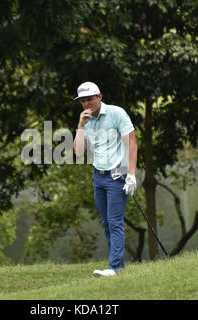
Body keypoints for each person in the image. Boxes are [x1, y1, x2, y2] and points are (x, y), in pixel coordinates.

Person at [73, 81, 138, 277]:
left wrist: (132, 175)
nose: (86, 104)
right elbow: (78, 152)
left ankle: (114, 267)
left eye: (90, 99)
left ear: (99, 96)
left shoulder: (117, 113)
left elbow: (132, 144)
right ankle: (117, 265)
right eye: (83, 101)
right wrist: (80, 126)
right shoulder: (86, 121)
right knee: (107, 223)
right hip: (98, 177)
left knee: (114, 221)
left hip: (117, 176)